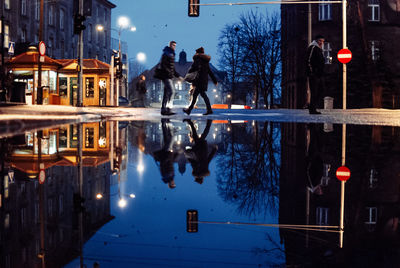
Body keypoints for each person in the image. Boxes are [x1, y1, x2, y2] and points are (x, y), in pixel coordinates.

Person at [183, 47, 218, 116]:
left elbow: (193, 70)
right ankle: (189, 110)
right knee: (196, 95)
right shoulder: (205, 62)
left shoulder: (197, 60)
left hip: (199, 81)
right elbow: (210, 72)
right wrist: (214, 80)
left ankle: (208, 110)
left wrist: (188, 78)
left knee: (201, 95)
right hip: (203, 81)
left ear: (198, 53)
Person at [183, 119, 218, 184]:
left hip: (203, 150)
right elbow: (192, 162)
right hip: (198, 150)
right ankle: (191, 122)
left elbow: (209, 159)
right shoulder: (196, 171)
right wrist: (187, 156)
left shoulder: (204, 169)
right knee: (199, 135)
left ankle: (208, 122)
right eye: (196, 179)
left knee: (200, 135)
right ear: (197, 178)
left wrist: (214, 150)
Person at [159, 41, 182, 116]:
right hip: (166, 76)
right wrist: (168, 73)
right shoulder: (167, 54)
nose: (174, 47)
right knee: (171, 91)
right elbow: (164, 65)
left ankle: (164, 109)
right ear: (170, 45)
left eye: (175, 45)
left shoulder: (171, 54)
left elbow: (172, 68)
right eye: (173, 45)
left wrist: (178, 76)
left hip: (169, 76)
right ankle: (167, 108)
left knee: (166, 93)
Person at [153, 119, 178, 189]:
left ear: (169, 184)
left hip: (167, 153)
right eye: (174, 183)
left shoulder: (166, 175)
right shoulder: (171, 176)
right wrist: (175, 156)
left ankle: (168, 123)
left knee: (172, 137)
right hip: (169, 153)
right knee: (167, 137)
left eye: (172, 184)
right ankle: (164, 122)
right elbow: (171, 164)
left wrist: (168, 157)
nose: (173, 182)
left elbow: (164, 164)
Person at [306, 35, 326, 115]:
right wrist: (311, 72)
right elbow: (308, 60)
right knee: (314, 91)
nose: (321, 42)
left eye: (322, 41)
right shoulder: (313, 48)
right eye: (320, 41)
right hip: (314, 74)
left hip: (319, 74)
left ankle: (312, 107)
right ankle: (312, 109)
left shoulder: (319, 49)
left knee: (321, 90)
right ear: (316, 41)